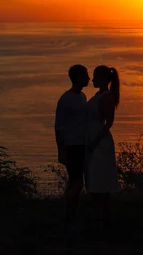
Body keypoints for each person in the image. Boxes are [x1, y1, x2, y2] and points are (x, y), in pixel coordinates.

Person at [54, 64, 90, 228]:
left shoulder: (82, 96)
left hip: (82, 144)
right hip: (72, 145)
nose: (89, 78)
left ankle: (70, 214)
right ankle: (69, 216)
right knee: (76, 182)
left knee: (76, 182)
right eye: (86, 75)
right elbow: (59, 127)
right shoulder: (66, 99)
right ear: (78, 78)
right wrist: (61, 150)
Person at [85, 65, 120, 230]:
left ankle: (102, 218)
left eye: (95, 77)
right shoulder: (98, 95)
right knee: (94, 177)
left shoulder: (106, 96)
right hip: (93, 138)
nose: (92, 80)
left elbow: (109, 123)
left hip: (100, 142)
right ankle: (99, 216)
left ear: (103, 79)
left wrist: (95, 140)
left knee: (101, 178)